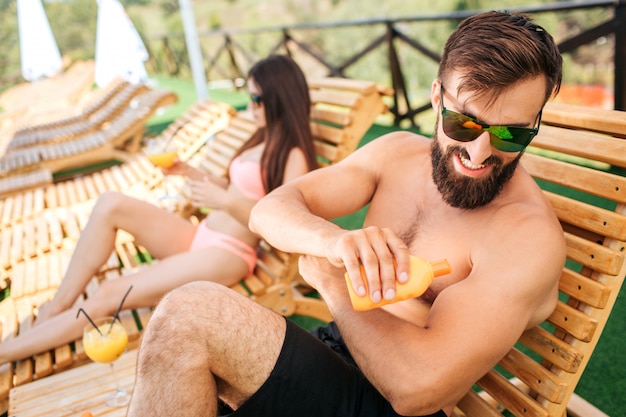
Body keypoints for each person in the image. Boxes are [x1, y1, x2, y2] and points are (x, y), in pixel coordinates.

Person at [127, 11, 566, 417]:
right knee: (173, 357)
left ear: (535, 123)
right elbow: (271, 208)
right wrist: (331, 242)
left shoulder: (525, 238)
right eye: (464, 124)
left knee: (189, 315)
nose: (478, 152)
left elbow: (418, 390)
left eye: (511, 134)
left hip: (386, 402)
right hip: (335, 355)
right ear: (436, 98)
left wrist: (333, 280)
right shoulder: (396, 154)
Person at [0, 54, 318, 366]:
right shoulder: (262, 138)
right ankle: (59, 305)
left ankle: (6, 352)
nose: (250, 106)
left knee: (109, 294)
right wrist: (190, 172)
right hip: (201, 235)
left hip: (228, 253)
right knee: (111, 203)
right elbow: (234, 187)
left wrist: (226, 203)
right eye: (249, 96)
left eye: (256, 98)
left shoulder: (293, 156)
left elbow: (286, 224)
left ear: (279, 96)